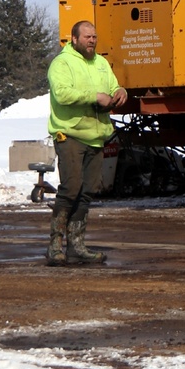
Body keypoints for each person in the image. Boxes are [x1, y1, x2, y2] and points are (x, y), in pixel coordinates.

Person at [46, 20, 126, 267]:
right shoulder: (62, 63)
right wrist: (93, 97)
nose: (92, 40)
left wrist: (120, 90)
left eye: (94, 36)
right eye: (87, 37)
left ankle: (77, 245)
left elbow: (112, 85)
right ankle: (55, 245)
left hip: (96, 136)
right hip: (70, 134)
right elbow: (62, 93)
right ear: (74, 39)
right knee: (71, 188)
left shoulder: (101, 63)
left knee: (87, 191)